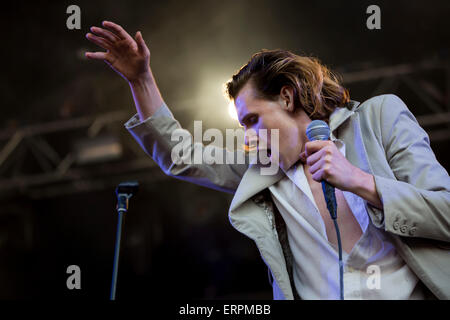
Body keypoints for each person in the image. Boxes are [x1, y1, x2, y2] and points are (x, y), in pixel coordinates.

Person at [85, 21, 450, 300]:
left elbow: (446, 213)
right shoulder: (262, 170)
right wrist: (141, 81)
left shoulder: (379, 118)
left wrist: (360, 181)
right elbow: (183, 157)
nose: (247, 136)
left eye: (252, 120)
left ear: (287, 98)